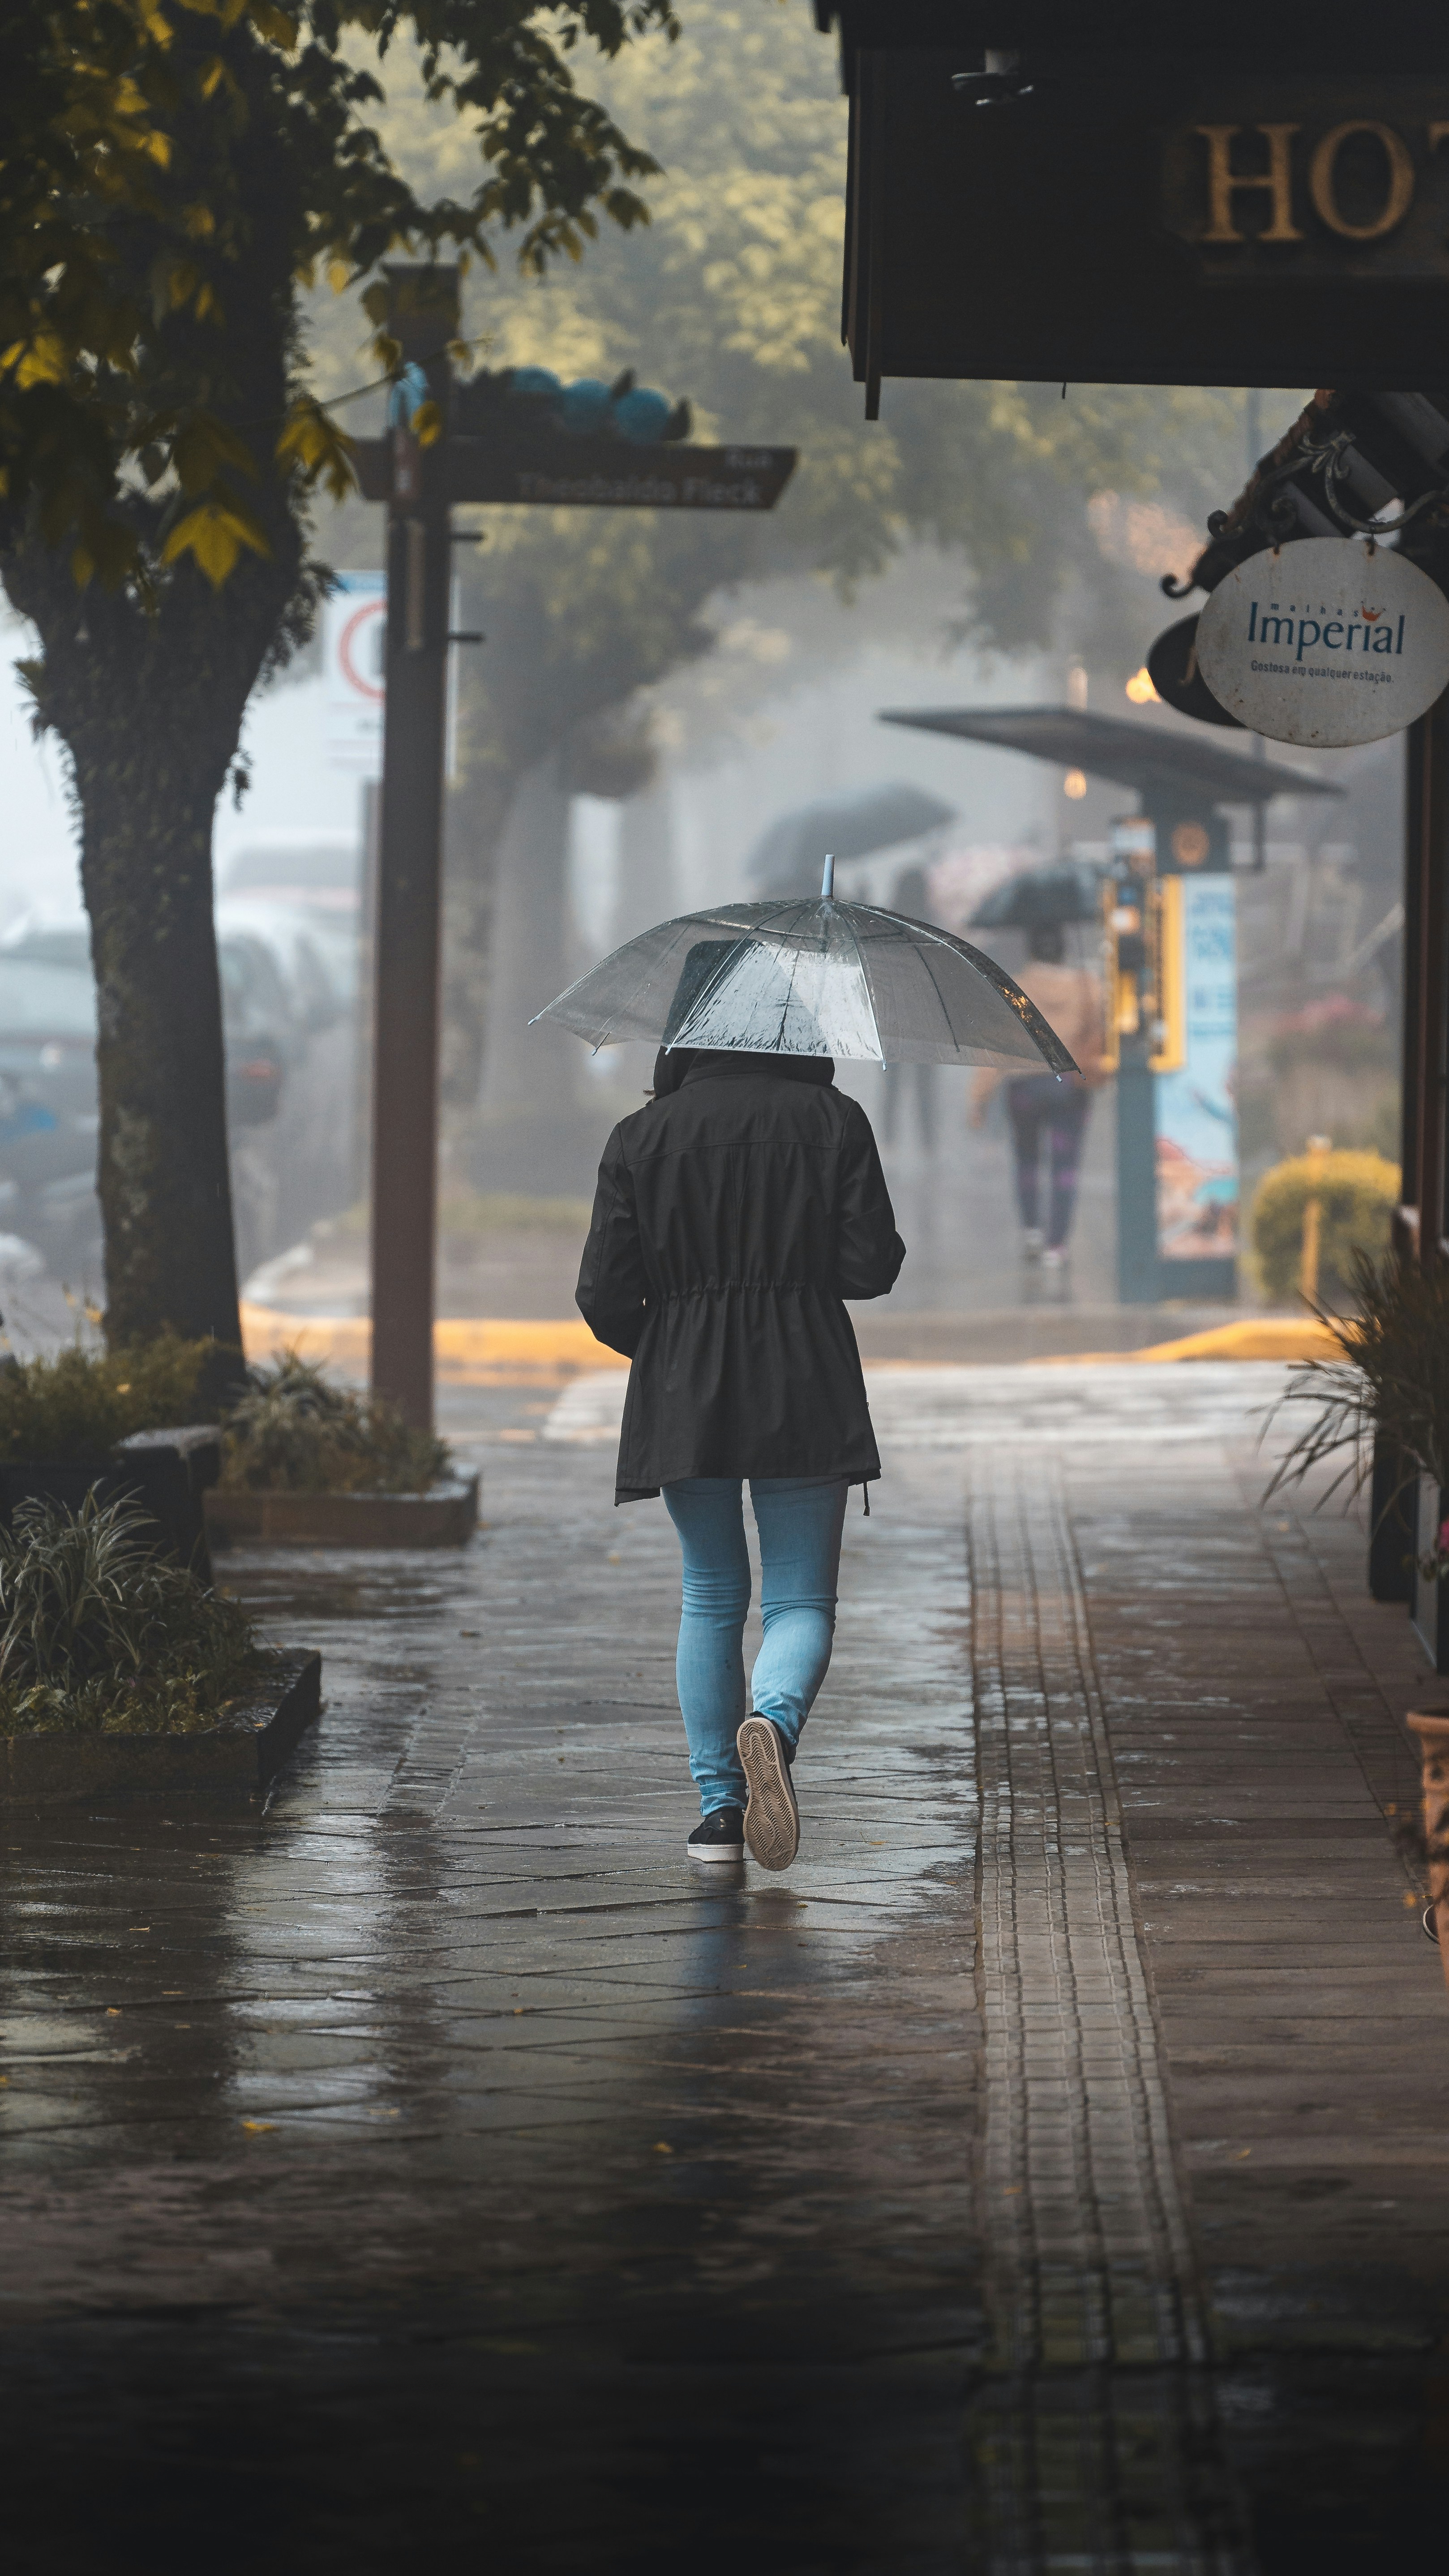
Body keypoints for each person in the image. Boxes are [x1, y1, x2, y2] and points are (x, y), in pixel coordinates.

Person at [575, 1022, 905, 1873]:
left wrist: (673, 1343)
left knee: (712, 1593)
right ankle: (775, 1721)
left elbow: (604, 1292)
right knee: (800, 1602)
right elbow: (871, 1267)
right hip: (805, 1377)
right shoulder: (834, 1120)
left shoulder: (641, 1136)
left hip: (687, 1389)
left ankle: (721, 1810)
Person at [969, 918, 1106, 1268]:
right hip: (1070, 1086)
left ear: (1030, 950)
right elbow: (1102, 1033)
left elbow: (996, 1047)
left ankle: (1032, 1229)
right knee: (1066, 1166)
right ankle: (1056, 1246)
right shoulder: (1088, 987)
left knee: (1028, 1160)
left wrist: (979, 1099)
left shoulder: (1017, 987)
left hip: (1024, 1087)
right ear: (1063, 950)